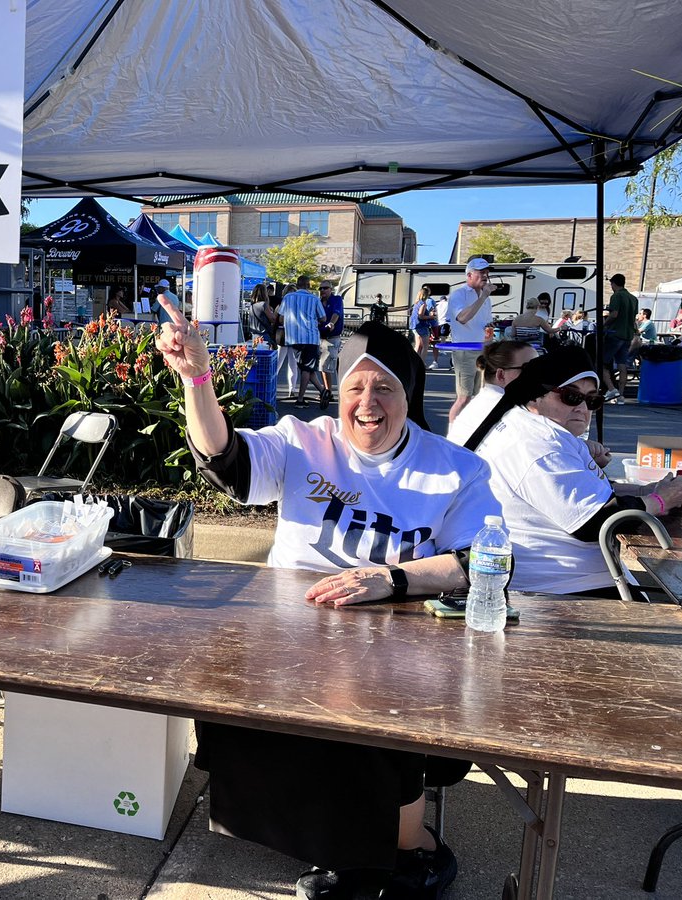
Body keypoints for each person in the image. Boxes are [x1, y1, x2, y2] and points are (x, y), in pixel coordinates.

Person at [155, 295, 499, 899]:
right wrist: (198, 377)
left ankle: (407, 853)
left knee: (368, 717)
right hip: (294, 628)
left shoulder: (455, 469)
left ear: (410, 393)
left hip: (401, 637)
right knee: (230, 701)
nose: (368, 404)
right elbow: (225, 458)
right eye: (354, 387)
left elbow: (485, 560)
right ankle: (324, 839)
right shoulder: (302, 440)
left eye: (385, 388)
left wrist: (391, 579)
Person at [463, 347, 682, 596]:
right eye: (571, 397)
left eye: (592, 400)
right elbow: (595, 523)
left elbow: (582, 492)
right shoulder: (540, 446)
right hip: (563, 587)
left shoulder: (534, 427)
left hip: (567, 577)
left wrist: (642, 491)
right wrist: (660, 500)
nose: (583, 408)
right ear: (536, 396)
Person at [445, 339, 537, 447]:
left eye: (540, 366)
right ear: (501, 375)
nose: (538, 373)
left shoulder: (486, 400)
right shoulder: (510, 409)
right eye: (528, 368)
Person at [446, 258, 495, 424]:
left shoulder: (485, 298)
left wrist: (489, 332)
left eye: (487, 272)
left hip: (482, 350)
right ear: (469, 274)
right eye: (481, 272)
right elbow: (462, 318)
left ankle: (468, 430)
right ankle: (452, 435)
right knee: (464, 397)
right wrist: (483, 297)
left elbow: (484, 323)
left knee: (478, 396)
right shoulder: (459, 295)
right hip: (464, 351)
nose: (485, 276)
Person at [276, 275, 326, 408]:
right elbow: (323, 318)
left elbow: (280, 318)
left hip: (294, 338)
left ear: (297, 285)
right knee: (306, 368)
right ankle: (300, 399)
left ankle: (323, 391)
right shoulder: (314, 299)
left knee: (306, 368)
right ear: (309, 285)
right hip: (310, 337)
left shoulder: (288, 298)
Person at [601, 273, 638, 405]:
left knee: (601, 363)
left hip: (615, 333)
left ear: (613, 283)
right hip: (628, 335)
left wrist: (604, 325)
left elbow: (614, 314)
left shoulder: (616, 296)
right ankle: (621, 396)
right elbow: (634, 319)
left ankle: (611, 389)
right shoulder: (633, 298)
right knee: (622, 365)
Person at [317, 281, 344, 408]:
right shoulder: (318, 301)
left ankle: (329, 392)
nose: (322, 290)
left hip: (332, 338)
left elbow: (336, 314)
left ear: (331, 289)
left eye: (325, 288)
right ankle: (328, 391)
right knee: (324, 367)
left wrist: (332, 323)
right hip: (320, 337)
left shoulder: (336, 300)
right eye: (321, 288)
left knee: (326, 366)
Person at [410, 285, 436, 365]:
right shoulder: (423, 304)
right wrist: (431, 316)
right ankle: (421, 364)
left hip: (415, 326)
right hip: (421, 326)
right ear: (426, 295)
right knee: (425, 346)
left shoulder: (416, 303)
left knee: (418, 346)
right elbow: (420, 315)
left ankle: (414, 363)